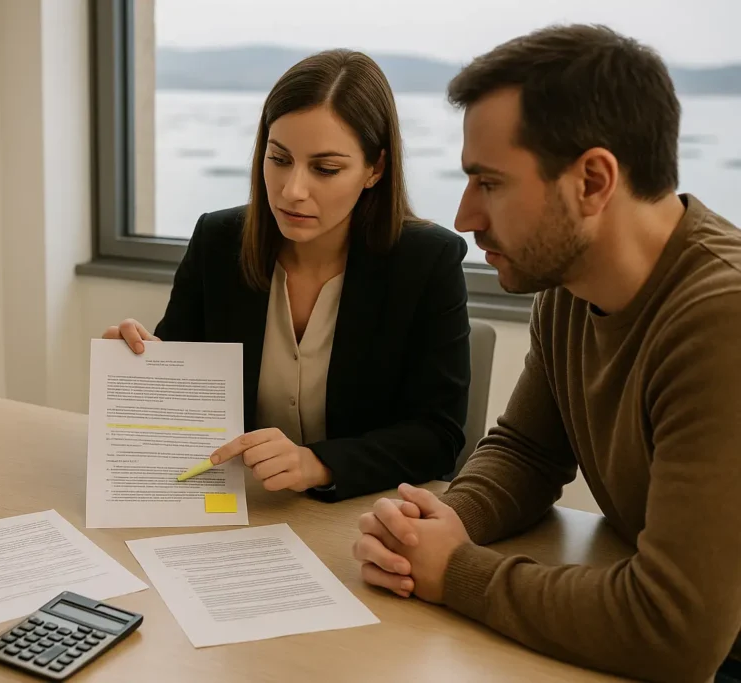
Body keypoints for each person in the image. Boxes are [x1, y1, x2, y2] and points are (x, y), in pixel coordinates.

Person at [351, 24, 741, 683]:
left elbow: (675, 629)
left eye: (490, 183)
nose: (464, 215)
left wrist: (457, 570)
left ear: (592, 180)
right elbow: (528, 450)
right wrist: (443, 522)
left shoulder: (721, 319)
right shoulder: (571, 285)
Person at [103, 49, 471, 502]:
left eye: (326, 169)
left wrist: (316, 464)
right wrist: (137, 370)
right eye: (279, 159)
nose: (292, 191)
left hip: (359, 516)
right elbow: (183, 409)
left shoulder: (427, 260)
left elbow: (439, 438)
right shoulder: (217, 241)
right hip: (240, 509)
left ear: (375, 169)